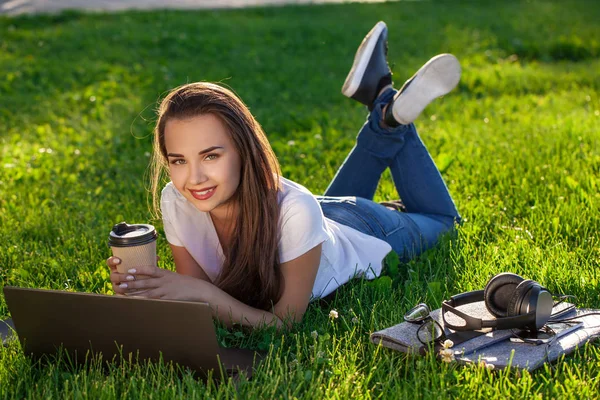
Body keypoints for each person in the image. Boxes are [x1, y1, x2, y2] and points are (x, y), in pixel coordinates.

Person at [106, 21, 462, 329]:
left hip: (365, 228)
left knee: (444, 220)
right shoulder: (176, 199)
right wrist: (154, 290)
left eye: (211, 155)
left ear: (244, 150)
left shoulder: (295, 210)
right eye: (178, 160)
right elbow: (202, 298)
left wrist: (197, 292)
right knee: (307, 211)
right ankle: (383, 104)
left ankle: (390, 114)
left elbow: (284, 322)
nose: (193, 178)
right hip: (317, 221)